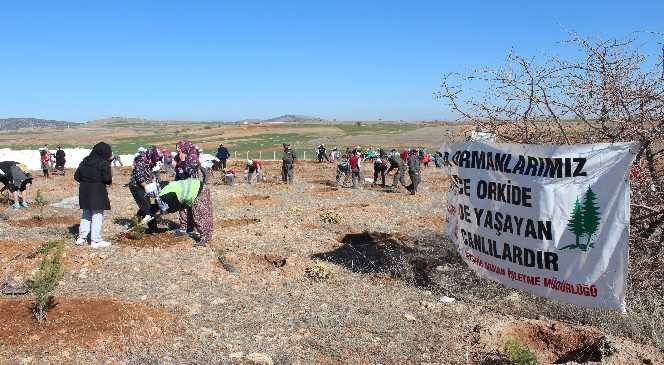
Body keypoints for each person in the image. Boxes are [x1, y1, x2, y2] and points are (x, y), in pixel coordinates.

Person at [153, 178, 213, 246]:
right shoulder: (163, 187)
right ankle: (186, 229)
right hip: (190, 191)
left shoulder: (166, 194)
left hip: (199, 190)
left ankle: (205, 237)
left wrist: (165, 212)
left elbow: (175, 207)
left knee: (200, 215)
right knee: (184, 211)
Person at [74, 142, 113, 248]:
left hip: (84, 190)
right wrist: (109, 164)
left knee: (86, 213)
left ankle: (81, 238)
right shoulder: (103, 163)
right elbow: (107, 179)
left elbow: (76, 176)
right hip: (97, 190)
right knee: (97, 215)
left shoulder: (85, 160)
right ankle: (95, 240)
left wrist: (86, 180)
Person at [173, 140, 204, 236]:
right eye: (177, 147)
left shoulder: (192, 158)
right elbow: (178, 170)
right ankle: (184, 227)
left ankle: (193, 229)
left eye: (179, 147)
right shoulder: (179, 156)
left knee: (192, 206)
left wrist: (182, 161)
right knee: (182, 206)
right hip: (181, 185)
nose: (177, 149)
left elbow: (188, 171)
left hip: (191, 185)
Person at [128, 149, 158, 233]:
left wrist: (153, 182)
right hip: (136, 186)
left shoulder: (149, 162)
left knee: (145, 206)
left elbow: (150, 174)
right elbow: (139, 178)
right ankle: (151, 228)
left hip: (144, 186)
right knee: (146, 207)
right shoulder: (141, 161)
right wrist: (148, 187)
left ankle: (135, 223)